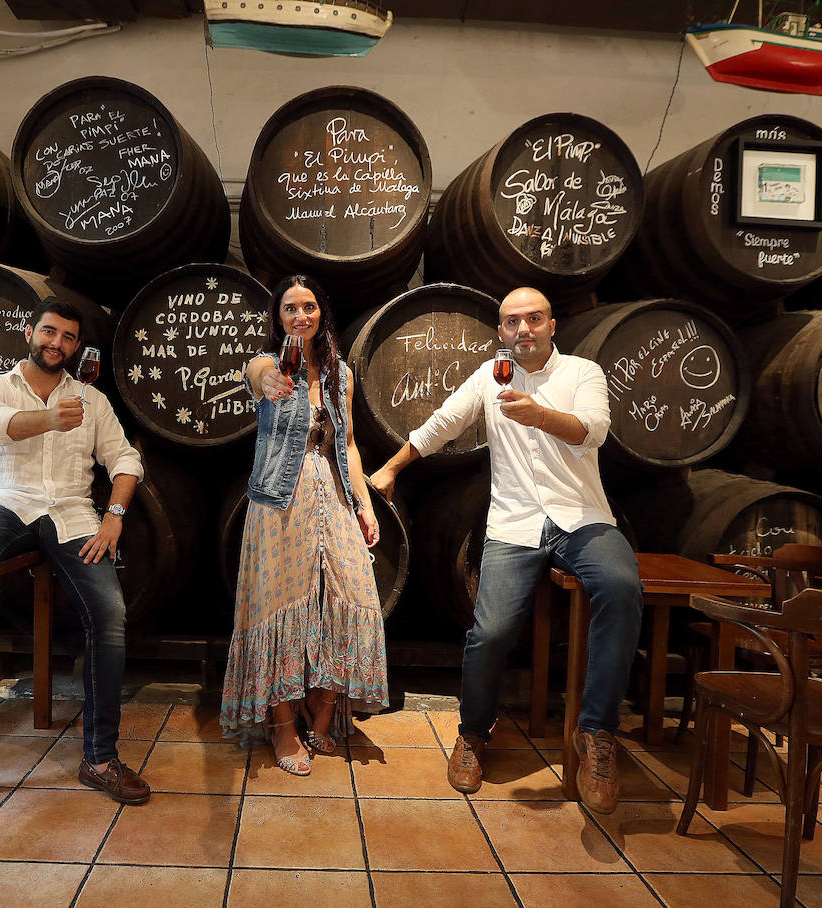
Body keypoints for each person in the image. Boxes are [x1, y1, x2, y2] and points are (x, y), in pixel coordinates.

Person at [369, 287, 642, 814]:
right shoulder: (491, 374)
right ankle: (472, 734)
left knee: (622, 587)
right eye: (512, 322)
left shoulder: (583, 374)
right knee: (489, 630)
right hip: (514, 523)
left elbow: (594, 432)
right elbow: (444, 423)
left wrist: (539, 415)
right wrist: (393, 467)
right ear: (500, 332)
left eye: (533, 319)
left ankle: (597, 734)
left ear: (552, 324)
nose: (523, 330)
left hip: (580, 516)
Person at [0, 297, 149, 805]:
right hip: (4, 503)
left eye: (68, 338)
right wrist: (48, 418)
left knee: (109, 614)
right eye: (49, 332)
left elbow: (124, 458)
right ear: (29, 331)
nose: (57, 344)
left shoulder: (93, 399)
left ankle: (100, 757)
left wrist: (114, 517)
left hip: (70, 512)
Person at [219, 274, 390, 775]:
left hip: (332, 493)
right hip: (278, 499)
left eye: (309, 306)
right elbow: (258, 380)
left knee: (356, 595)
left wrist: (365, 503)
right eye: (290, 308)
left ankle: (323, 705)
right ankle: (282, 726)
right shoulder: (267, 365)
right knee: (276, 608)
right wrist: (268, 384)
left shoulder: (341, 373)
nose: (300, 316)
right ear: (277, 317)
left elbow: (351, 445)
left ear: (321, 312)